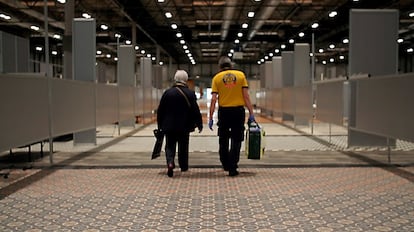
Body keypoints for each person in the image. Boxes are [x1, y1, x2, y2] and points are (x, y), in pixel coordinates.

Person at [209, 56, 255, 177]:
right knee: (236, 139)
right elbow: (246, 96)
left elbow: (214, 99)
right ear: (231, 65)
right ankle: (233, 167)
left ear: (220, 67)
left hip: (224, 112)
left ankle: (225, 163)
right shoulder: (240, 76)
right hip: (238, 111)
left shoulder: (217, 78)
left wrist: (210, 117)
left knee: (223, 139)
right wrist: (251, 112)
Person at [157, 70, 203, 177]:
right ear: (186, 80)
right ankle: (183, 166)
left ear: (175, 79)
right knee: (183, 146)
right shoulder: (190, 93)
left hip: (169, 125)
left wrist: (160, 125)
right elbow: (195, 110)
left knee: (170, 145)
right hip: (184, 125)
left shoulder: (167, 93)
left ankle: (170, 162)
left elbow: (161, 110)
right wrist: (199, 124)